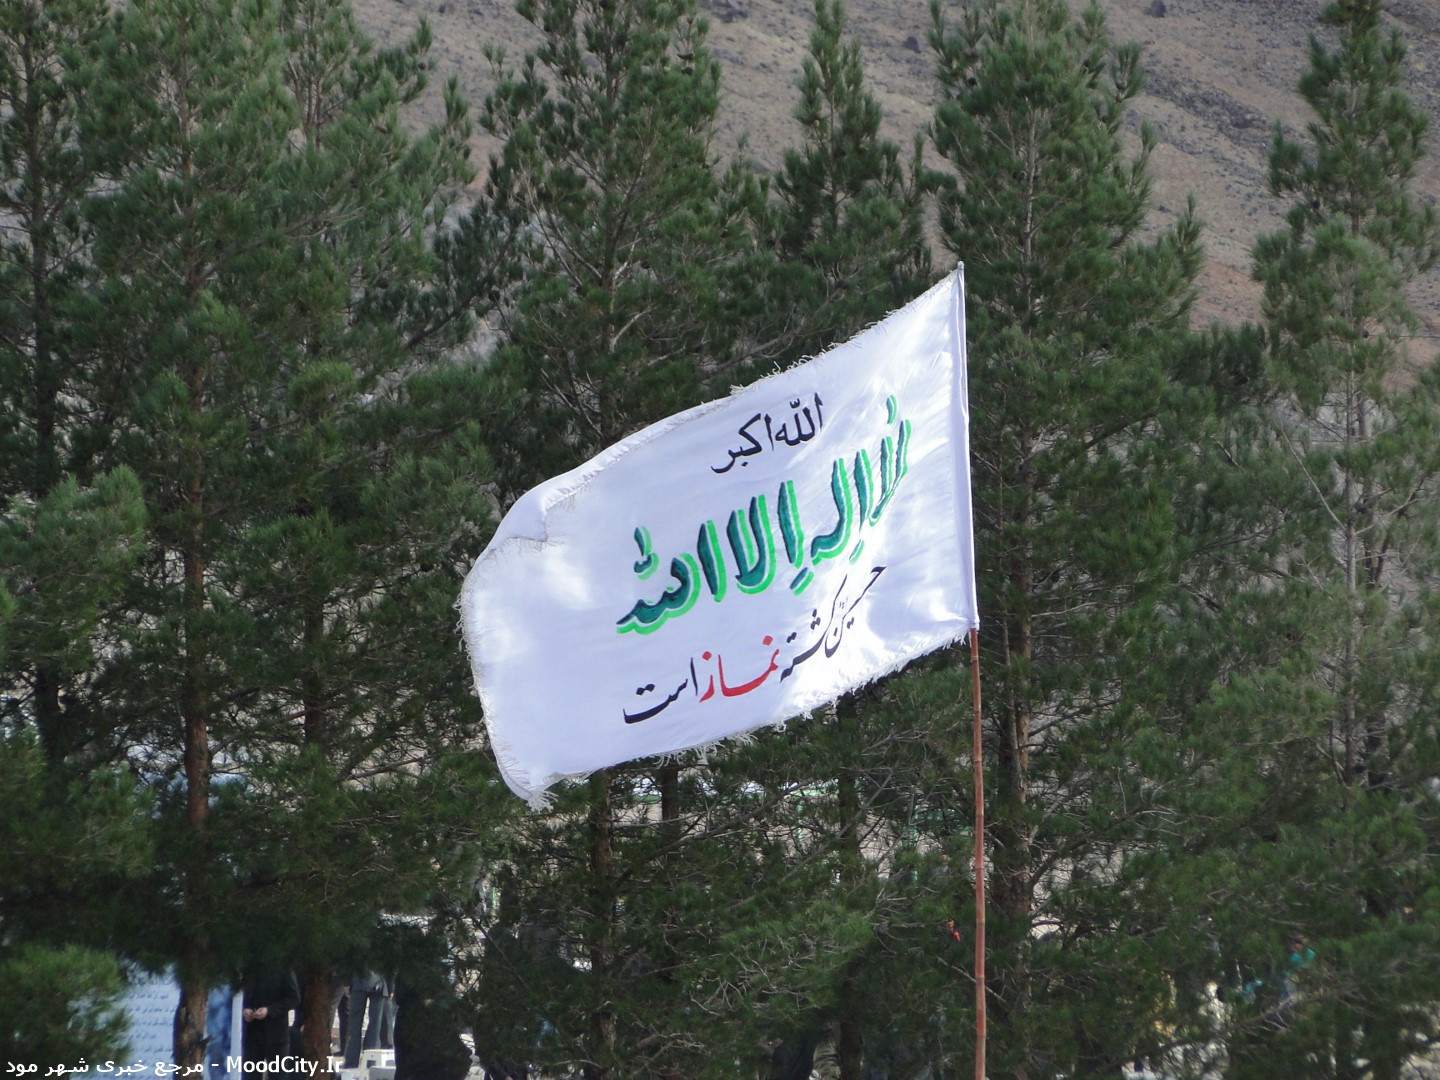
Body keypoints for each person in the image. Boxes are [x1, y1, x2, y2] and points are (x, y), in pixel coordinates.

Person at [242, 969, 301, 1072]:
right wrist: (245, 1009)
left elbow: (294, 998)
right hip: (252, 1033)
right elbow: (241, 994)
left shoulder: (283, 967)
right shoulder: (249, 968)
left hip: (276, 1034)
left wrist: (269, 1010)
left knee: (278, 1074)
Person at [342, 969, 389, 1068]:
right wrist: (391, 986)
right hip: (379, 982)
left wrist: (346, 982)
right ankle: (371, 1060)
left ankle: (351, 1060)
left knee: (354, 1023)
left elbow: (348, 962)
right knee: (375, 1024)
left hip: (359, 980)